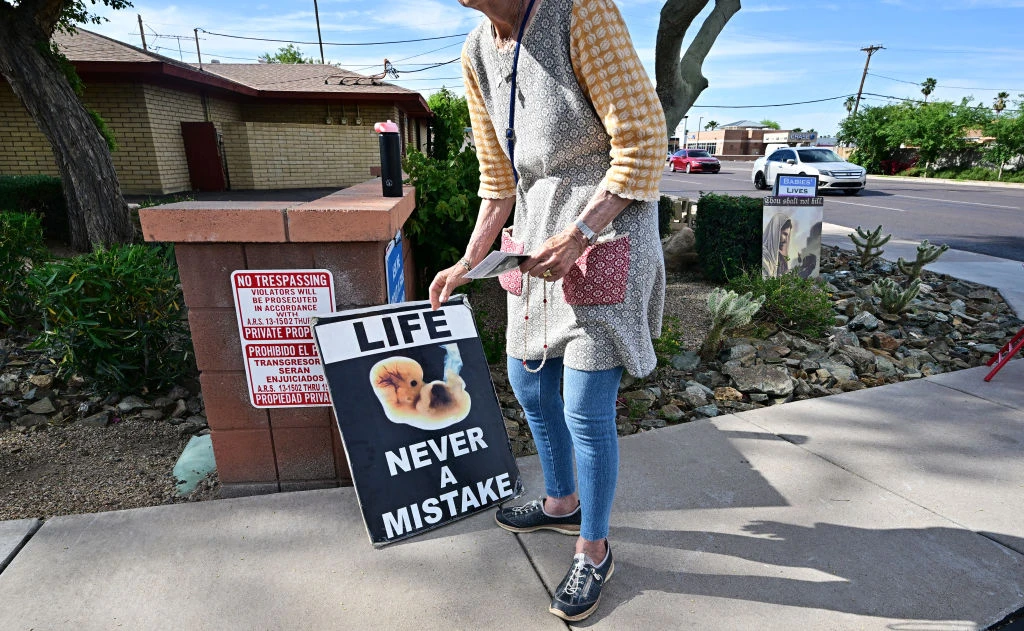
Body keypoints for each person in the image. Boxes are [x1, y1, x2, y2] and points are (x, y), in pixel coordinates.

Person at [428, 0, 666, 621]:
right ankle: (561, 504)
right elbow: (497, 180)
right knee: (528, 386)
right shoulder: (477, 49)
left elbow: (643, 141)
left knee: (584, 407)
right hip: (535, 244)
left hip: (604, 235)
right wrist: (467, 259)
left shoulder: (578, 11)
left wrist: (582, 233)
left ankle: (595, 549)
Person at [762, 213, 793, 278]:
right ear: (776, 231)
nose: (786, 240)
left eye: (787, 235)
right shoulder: (763, 255)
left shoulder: (781, 258)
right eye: (784, 234)